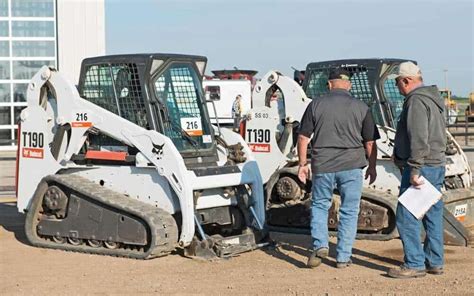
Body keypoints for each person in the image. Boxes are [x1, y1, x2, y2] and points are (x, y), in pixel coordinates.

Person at [297, 68, 379, 269]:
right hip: (352, 165)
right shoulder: (361, 107)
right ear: (349, 85)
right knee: (350, 211)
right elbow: (370, 143)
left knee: (320, 205)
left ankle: (320, 245)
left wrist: (302, 164)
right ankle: (343, 257)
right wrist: (373, 166)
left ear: (329, 84)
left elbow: (303, 137)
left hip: (323, 164)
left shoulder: (315, 105)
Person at [387, 62, 446, 279]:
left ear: (406, 80)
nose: (397, 87)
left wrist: (414, 169)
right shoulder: (433, 99)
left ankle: (414, 263)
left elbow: (420, 137)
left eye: (397, 82)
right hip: (436, 164)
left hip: (423, 167)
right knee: (432, 215)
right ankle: (435, 261)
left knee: (406, 216)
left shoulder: (416, 101)